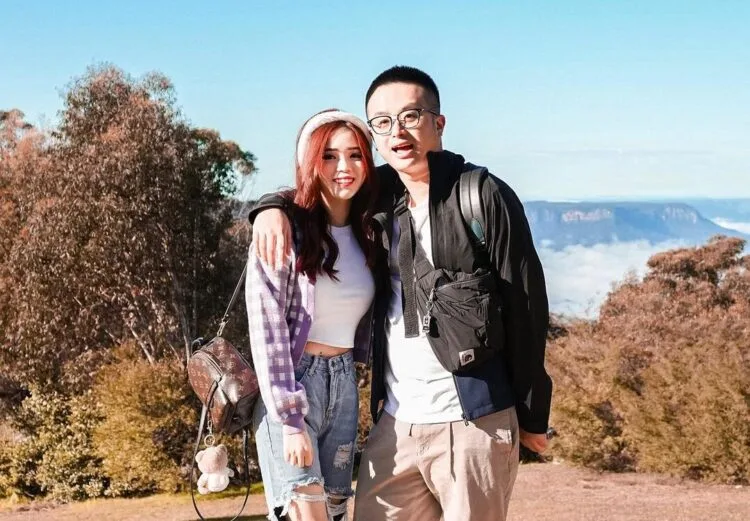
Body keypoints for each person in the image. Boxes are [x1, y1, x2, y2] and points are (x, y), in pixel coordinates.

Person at [249, 66, 552, 521]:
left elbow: (526, 307)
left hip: (473, 423)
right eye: (383, 122)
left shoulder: (481, 195)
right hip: (394, 426)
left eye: (411, 116)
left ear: (439, 123)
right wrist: (269, 208)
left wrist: (532, 413)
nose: (398, 132)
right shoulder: (378, 197)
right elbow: (320, 188)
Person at [246, 109, 387, 521]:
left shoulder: (370, 232)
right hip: (293, 384)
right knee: (305, 512)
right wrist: (290, 419)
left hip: (344, 385)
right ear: (309, 162)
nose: (344, 167)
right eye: (328, 155)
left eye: (355, 155)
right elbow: (268, 329)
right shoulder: (282, 231)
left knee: (335, 512)